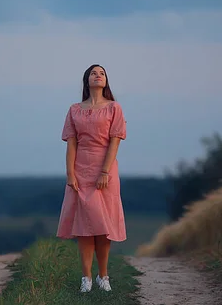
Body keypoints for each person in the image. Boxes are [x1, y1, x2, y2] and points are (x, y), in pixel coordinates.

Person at [56, 63, 127, 293]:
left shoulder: (114, 107)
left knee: (102, 225)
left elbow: (115, 140)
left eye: (102, 73)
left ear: (106, 81)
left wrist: (105, 171)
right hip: (81, 169)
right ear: (87, 80)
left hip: (105, 168)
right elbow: (71, 143)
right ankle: (86, 277)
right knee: (83, 226)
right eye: (94, 73)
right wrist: (70, 174)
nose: (98, 75)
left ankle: (103, 276)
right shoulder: (75, 109)